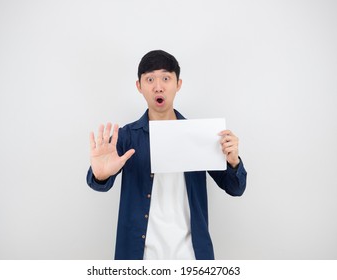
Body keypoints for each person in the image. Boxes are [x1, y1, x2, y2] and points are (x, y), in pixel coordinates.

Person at [86, 50, 247, 260]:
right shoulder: (125, 137)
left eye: (166, 78)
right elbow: (97, 182)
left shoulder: (201, 134)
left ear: (178, 84)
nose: (158, 86)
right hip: (139, 256)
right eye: (150, 79)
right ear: (139, 86)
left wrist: (233, 161)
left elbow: (235, 188)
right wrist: (100, 175)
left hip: (191, 256)